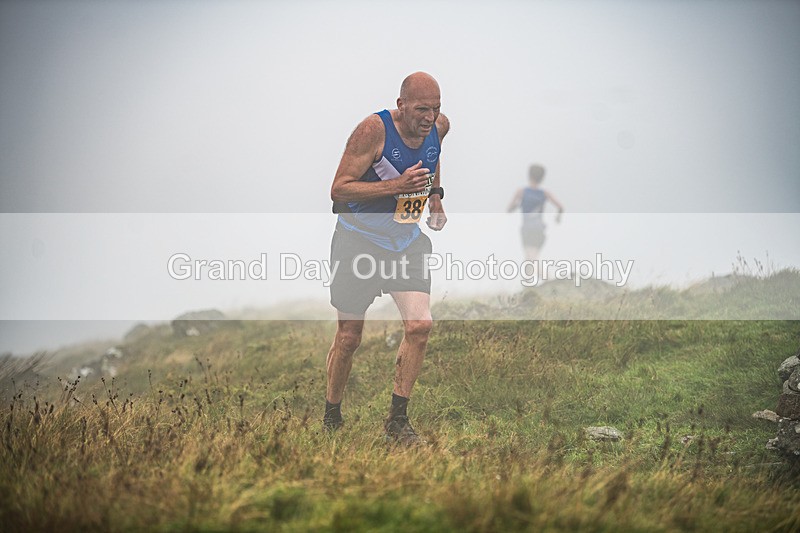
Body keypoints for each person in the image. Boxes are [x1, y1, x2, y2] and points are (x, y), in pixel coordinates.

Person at [324, 72, 449, 445]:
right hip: (358, 241)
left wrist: (436, 198)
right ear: (401, 105)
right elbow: (338, 189)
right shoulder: (372, 131)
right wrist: (397, 186)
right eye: (421, 109)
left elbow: (433, 156)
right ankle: (332, 416)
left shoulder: (439, 128)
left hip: (405, 242)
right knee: (349, 338)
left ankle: (397, 421)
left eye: (436, 109)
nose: (429, 117)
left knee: (420, 326)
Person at [507, 164, 564, 262]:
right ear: (542, 178)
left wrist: (516, 205)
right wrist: (558, 218)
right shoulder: (545, 193)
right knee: (530, 258)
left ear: (529, 175)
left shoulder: (521, 192)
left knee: (531, 259)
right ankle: (527, 278)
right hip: (539, 230)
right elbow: (560, 207)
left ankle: (548, 277)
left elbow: (508, 210)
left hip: (528, 229)